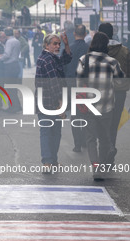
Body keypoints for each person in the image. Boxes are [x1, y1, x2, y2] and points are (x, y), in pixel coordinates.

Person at [76, 32, 124, 181]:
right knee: (104, 137)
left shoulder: (84, 60)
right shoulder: (112, 62)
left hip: (89, 106)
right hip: (107, 105)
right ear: (106, 45)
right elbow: (120, 82)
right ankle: (104, 161)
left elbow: (79, 83)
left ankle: (96, 167)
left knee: (91, 138)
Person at [35, 33, 72, 170]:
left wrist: (66, 45)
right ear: (46, 45)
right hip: (48, 101)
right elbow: (54, 83)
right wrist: (60, 104)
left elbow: (66, 59)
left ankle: (52, 161)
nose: (57, 46)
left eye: (59, 44)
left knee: (54, 132)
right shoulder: (48, 60)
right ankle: (47, 162)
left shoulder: (51, 57)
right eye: (54, 44)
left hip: (47, 101)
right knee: (48, 132)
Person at [98, 23, 130, 160]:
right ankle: (110, 153)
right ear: (113, 33)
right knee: (114, 123)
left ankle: (103, 154)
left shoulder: (96, 51)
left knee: (101, 122)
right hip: (119, 92)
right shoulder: (124, 51)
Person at [63, 24, 90, 153]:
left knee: (74, 113)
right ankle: (85, 140)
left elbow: (63, 66)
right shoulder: (89, 49)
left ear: (74, 34)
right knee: (85, 112)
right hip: (85, 83)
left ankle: (77, 144)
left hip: (71, 83)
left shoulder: (69, 49)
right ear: (85, 34)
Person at [0, 27, 22, 113]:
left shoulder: (9, 42)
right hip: (16, 65)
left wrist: (0, 58)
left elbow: (7, 54)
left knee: (10, 87)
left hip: (10, 66)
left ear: (6, 34)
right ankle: (16, 105)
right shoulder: (16, 41)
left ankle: (14, 107)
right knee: (13, 87)